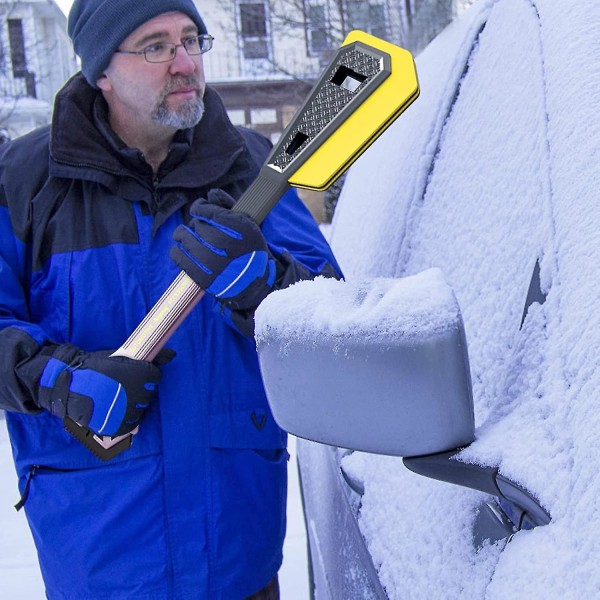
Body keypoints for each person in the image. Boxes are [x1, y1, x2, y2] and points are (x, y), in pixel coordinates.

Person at [0, 1, 341, 598]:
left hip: (240, 561)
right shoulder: (23, 181)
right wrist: (59, 380)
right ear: (102, 71)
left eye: (190, 39)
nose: (184, 62)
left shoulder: (250, 169)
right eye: (155, 46)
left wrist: (263, 285)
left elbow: (335, 321)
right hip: (99, 560)